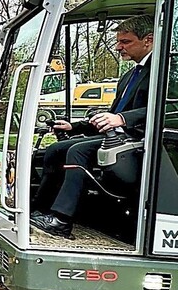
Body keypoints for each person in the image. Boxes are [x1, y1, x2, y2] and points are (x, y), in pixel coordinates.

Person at [31, 15, 154, 238]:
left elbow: (165, 111)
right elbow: (112, 115)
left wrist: (124, 120)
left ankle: (62, 220)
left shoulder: (165, 72)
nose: (118, 47)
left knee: (78, 151)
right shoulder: (129, 76)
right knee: (55, 149)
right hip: (116, 136)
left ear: (148, 40)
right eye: (118, 41)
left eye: (125, 42)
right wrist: (74, 127)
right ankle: (40, 210)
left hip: (144, 140)